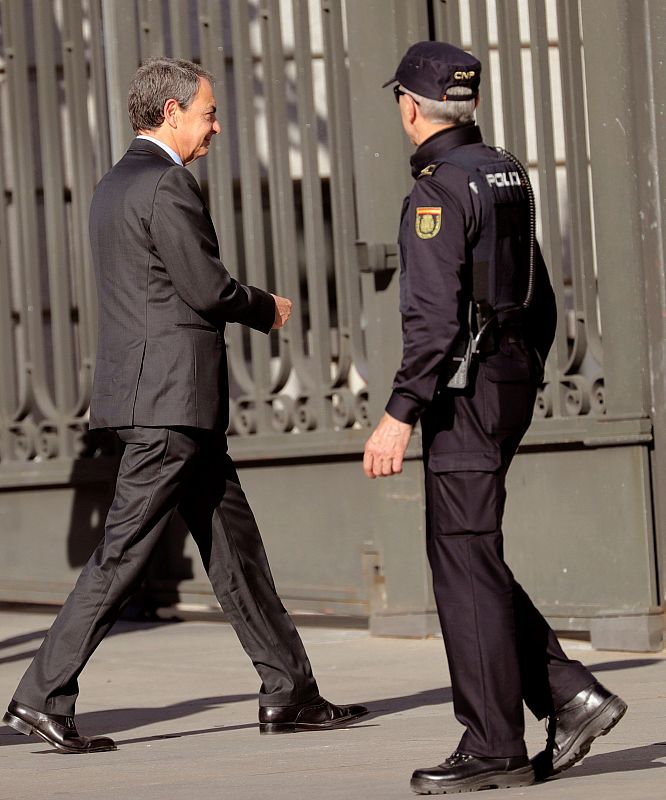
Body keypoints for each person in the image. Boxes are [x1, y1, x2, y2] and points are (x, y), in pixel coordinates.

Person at [3, 57, 366, 754]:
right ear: (170, 113)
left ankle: (290, 692)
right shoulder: (169, 182)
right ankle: (42, 696)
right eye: (207, 112)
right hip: (171, 404)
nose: (216, 126)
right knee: (123, 554)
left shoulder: (115, 184)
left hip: (168, 402)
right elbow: (203, 288)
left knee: (237, 553)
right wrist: (267, 305)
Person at [363, 41, 626, 794]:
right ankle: (570, 695)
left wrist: (398, 413)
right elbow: (538, 291)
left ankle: (493, 746)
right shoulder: (504, 168)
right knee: (471, 551)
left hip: (465, 389)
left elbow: (434, 320)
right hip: (508, 374)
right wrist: (526, 365)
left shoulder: (437, 190)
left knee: (463, 556)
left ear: (411, 107)